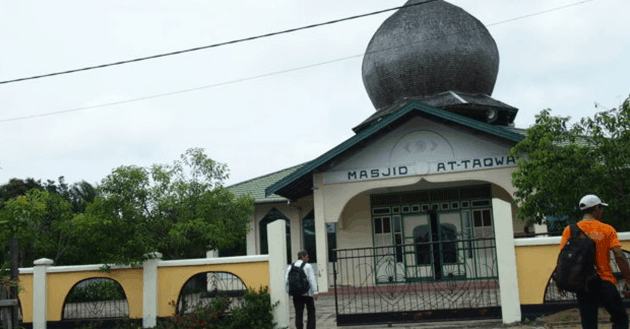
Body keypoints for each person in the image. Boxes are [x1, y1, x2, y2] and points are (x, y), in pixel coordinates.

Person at [559, 194, 630, 329]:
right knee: (620, 318)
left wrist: (560, 280)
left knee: (589, 324)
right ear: (596, 208)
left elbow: (562, 256)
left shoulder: (570, 229)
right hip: (604, 281)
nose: (602, 212)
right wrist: (628, 280)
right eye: (601, 208)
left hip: (583, 283)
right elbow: (619, 255)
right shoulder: (607, 229)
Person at [285, 250, 318, 329]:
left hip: (296, 294)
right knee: (311, 312)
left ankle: (299, 327)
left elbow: (286, 280)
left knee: (298, 313)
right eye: (307, 257)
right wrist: (315, 291)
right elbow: (311, 279)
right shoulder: (307, 266)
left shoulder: (290, 267)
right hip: (307, 293)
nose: (308, 258)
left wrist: (289, 291)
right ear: (303, 257)